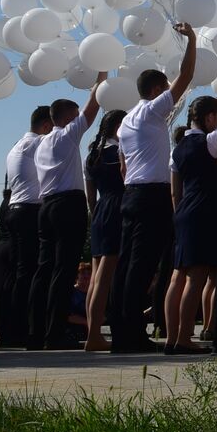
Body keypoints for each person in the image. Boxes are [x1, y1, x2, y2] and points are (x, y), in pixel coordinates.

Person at [108, 23, 198, 353]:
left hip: (131, 193)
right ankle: (132, 333)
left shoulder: (126, 122)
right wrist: (192, 40)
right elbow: (186, 77)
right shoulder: (151, 111)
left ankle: (120, 329)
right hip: (150, 195)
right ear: (157, 89)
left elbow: (122, 167)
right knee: (142, 266)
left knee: (127, 264)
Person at [29, 74, 106, 350]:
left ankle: (36, 333)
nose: (77, 120)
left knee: (44, 271)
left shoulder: (40, 145)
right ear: (66, 117)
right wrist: (102, 77)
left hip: (46, 206)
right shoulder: (66, 135)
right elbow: (93, 106)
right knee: (64, 271)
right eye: (74, 116)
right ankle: (55, 334)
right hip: (67, 206)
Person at [165, 96, 217, 354]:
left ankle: (170, 337)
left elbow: (174, 192)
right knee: (197, 277)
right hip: (205, 211)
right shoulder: (210, 141)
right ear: (209, 117)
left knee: (177, 276)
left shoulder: (177, 148)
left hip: (184, 211)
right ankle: (185, 337)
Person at [0, 107, 51, 348]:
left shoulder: (16, 146)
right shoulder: (40, 143)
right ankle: (28, 327)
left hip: (14, 209)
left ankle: (11, 328)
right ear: (46, 126)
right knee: (34, 272)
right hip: (31, 210)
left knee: (20, 274)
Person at [83, 109, 127, 352]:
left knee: (96, 276)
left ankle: (92, 331)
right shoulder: (117, 153)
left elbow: (90, 197)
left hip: (100, 210)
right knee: (105, 277)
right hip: (117, 207)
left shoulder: (91, 156)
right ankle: (94, 335)